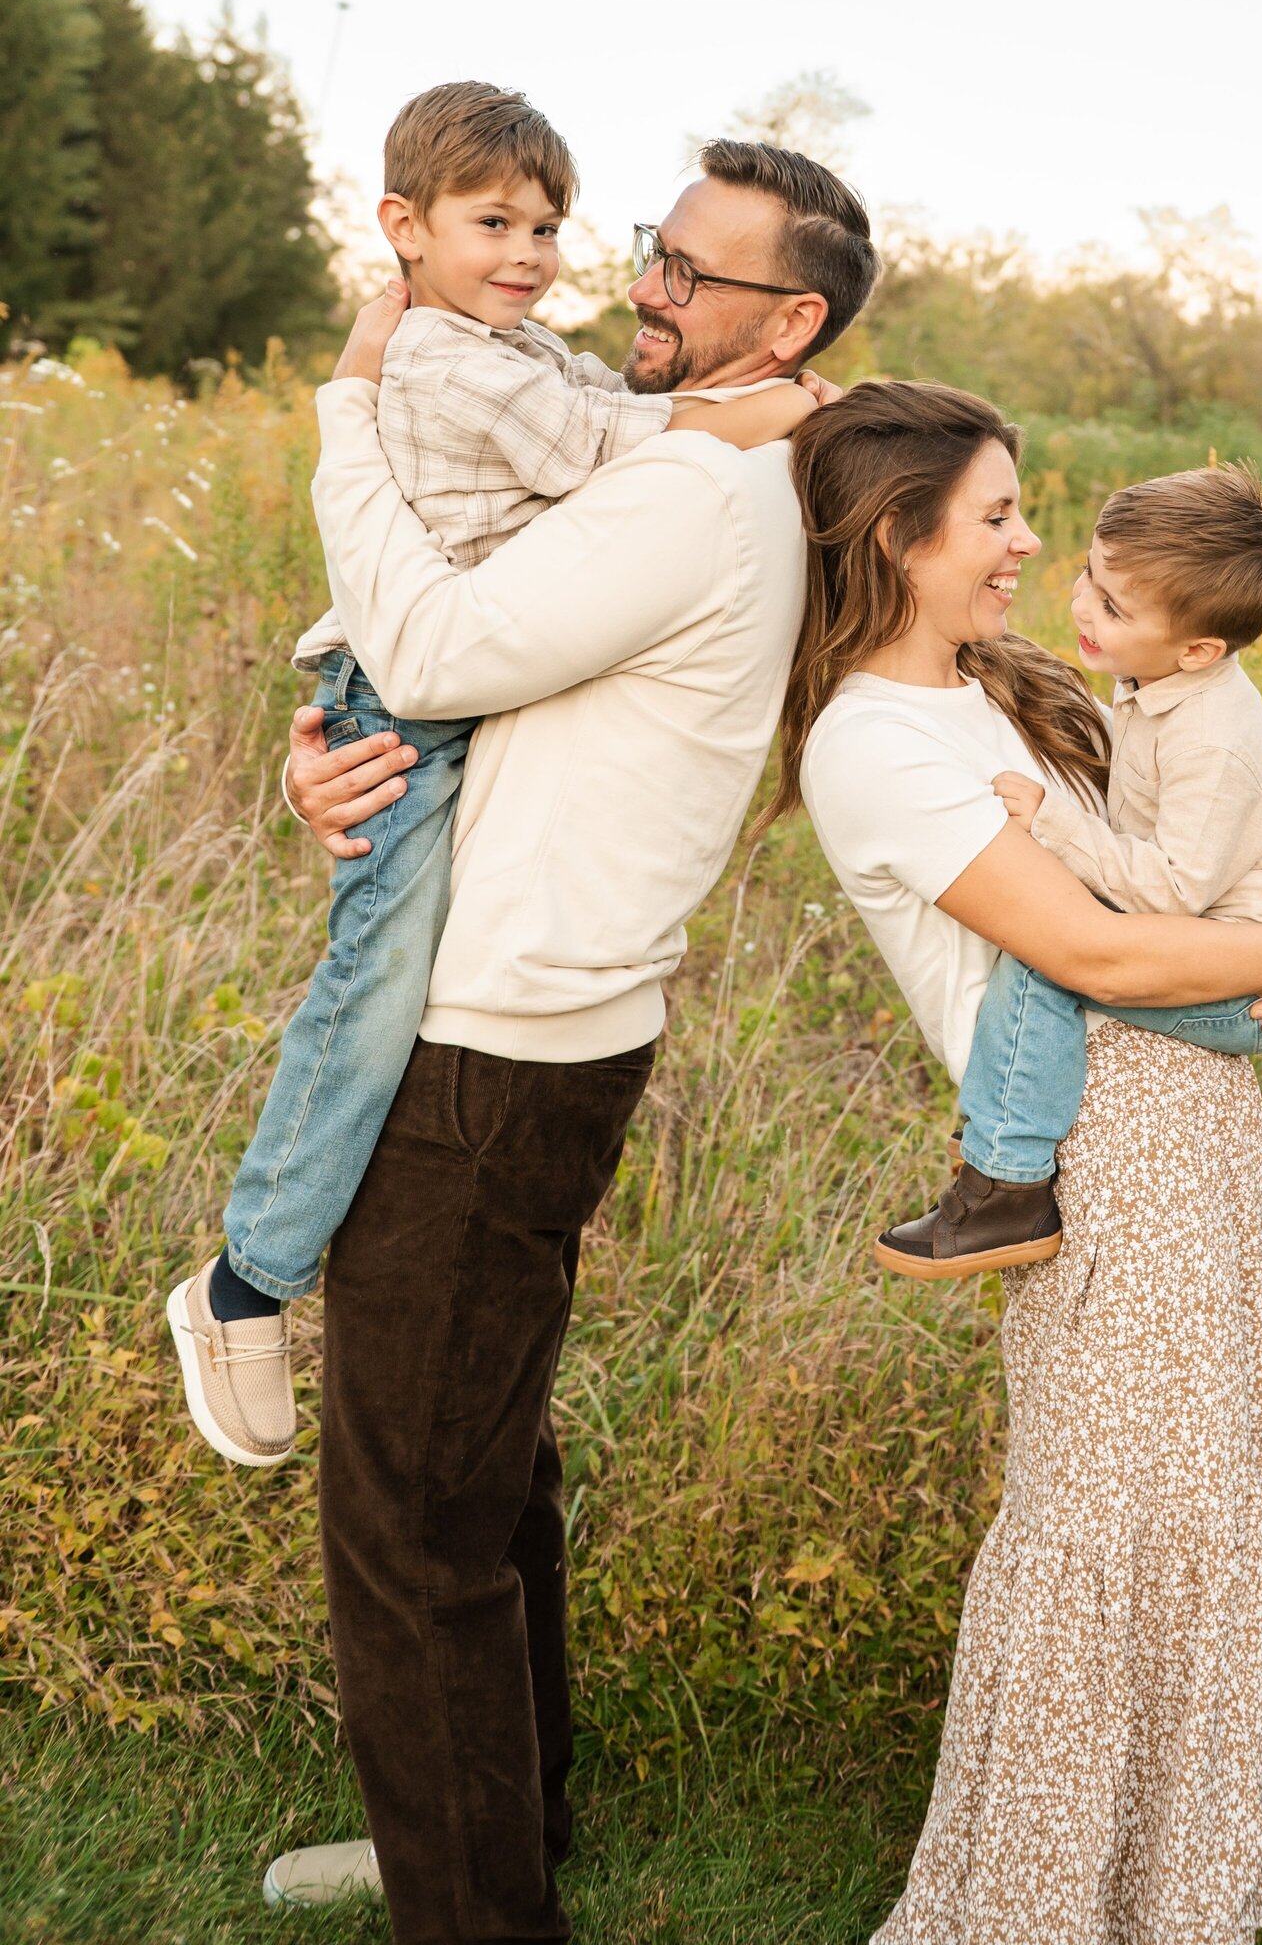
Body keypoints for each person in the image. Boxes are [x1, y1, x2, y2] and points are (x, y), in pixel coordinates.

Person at [257, 143, 880, 1940]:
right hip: (535, 1019)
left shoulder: (689, 490)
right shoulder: (678, 456)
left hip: (493, 1048)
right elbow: (437, 675)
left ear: (795, 317)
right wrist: (321, 751)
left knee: (411, 1525)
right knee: (484, 1469)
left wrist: (347, 404)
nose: (642, 289)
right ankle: (481, 1830)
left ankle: (474, 1907)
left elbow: (437, 648)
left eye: (689, 272)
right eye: (652, 253)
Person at [772, 380, 1262, 1942]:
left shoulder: (1002, 683)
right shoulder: (875, 741)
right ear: (900, 539)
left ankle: (1171, 1893)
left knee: (1202, 1505)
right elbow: (1099, 958)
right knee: (1103, 1522)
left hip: (1193, 1129)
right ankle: (1039, 1901)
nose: (1026, 540)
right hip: (1102, 1145)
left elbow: (1209, 842)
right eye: (993, 516)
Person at [167, 85, 828, 1472]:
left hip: (507, 953)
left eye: (551, 225)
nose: (538, 254)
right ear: (404, 227)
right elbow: (588, 460)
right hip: (405, 709)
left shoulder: (537, 373)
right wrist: (778, 414)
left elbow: (571, 466)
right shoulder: (462, 365)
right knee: (372, 977)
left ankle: (250, 1277)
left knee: (447, 1481)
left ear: (790, 316)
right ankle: (247, 1279)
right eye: (495, 223)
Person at [874, 460, 1262, 1279]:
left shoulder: (1212, 735)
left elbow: (1176, 888)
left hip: (1243, 982)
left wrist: (1055, 823)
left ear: (1199, 648)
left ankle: (1004, 1178)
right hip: (1233, 951)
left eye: (1114, 606)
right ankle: (1005, 1129)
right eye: (1091, 572)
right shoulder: (1156, 678)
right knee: (1057, 940)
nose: (1083, 603)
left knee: (1051, 960)